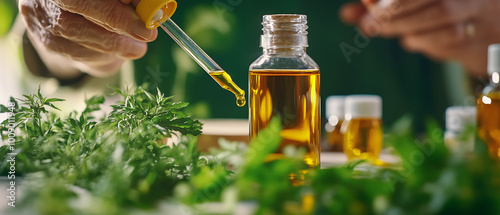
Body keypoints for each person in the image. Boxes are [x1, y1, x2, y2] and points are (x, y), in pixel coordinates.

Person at [6, 0, 500, 127]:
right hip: (186, 176)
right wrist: (63, 31)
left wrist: (488, 29)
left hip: (395, 169)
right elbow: (44, 48)